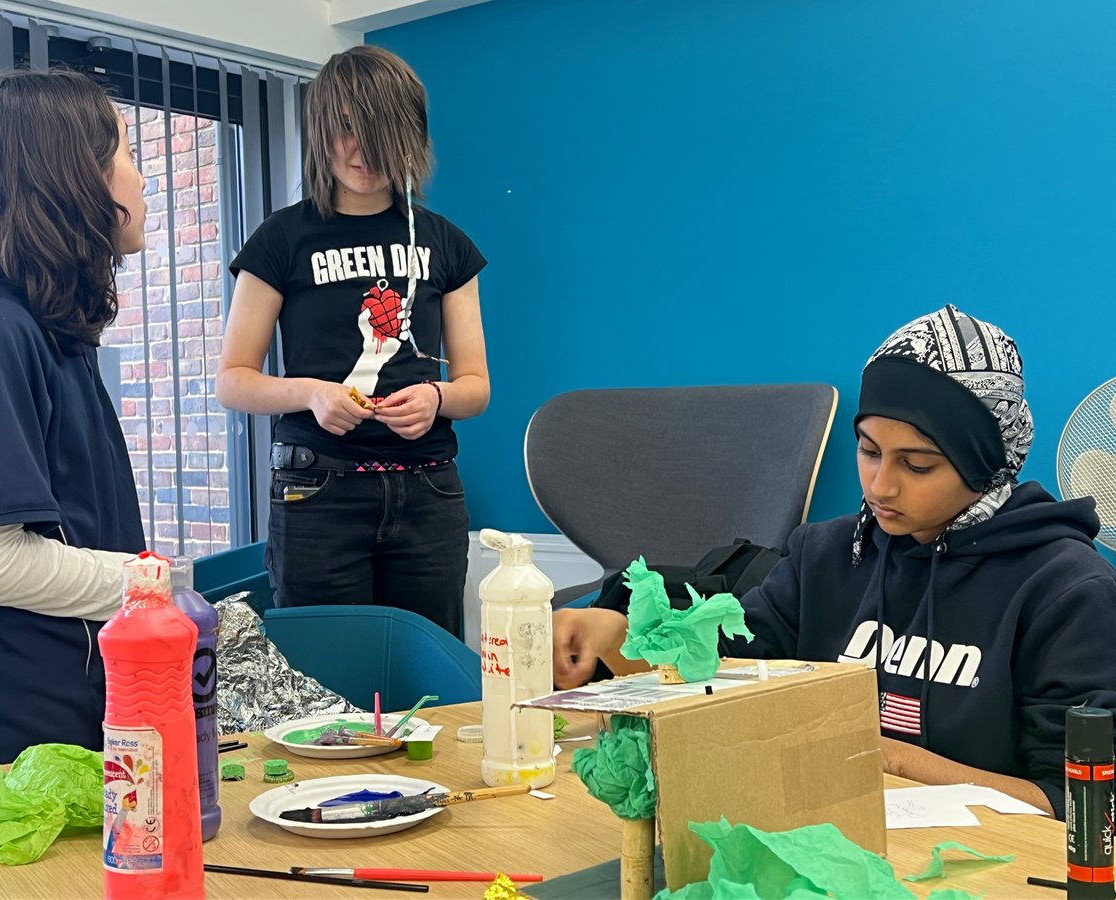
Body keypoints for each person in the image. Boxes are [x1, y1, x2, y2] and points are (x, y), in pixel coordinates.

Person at [553, 305, 1116, 819]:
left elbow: (1077, 803)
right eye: (869, 451)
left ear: (984, 464)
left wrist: (887, 760)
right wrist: (616, 639)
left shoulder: (1064, 589)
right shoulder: (822, 555)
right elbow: (716, 687)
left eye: (917, 465)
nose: (880, 485)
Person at [217, 46, 489, 637]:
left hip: (428, 493)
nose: (360, 153)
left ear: (409, 135)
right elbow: (233, 380)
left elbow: (475, 388)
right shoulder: (280, 240)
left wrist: (436, 400)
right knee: (325, 694)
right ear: (321, 131)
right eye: (344, 130)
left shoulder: (448, 244)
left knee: (429, 692)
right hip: (318, 492)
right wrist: (313, 394)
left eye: (379, 133)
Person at [0, 69, 148, 762]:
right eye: (125, 155)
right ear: (70, 177)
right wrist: (151, 585)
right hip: (1, 734)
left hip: (57, 707)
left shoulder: (46, 325)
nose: (140, 180)